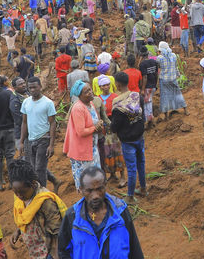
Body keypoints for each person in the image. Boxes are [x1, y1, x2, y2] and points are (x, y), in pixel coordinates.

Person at [57, 166, 144, 259]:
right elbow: (63, 251)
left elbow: (134, 247)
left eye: (99, 189)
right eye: (89, 191)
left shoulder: (120, 211)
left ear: (105, 185)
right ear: (81, 189)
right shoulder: (72, 216)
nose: (95, 196)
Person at [9, 160, 66, 259]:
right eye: (15, 192)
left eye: (22, 192)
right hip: (35, 250)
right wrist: (18, 231)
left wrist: (56, 255)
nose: (19, 196)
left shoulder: (45, 201)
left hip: (48, 251)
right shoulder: (19, 198)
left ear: (33, 184)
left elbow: (57, 229)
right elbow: (23, 216)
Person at [110, 73, 147, 203]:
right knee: (141, 163)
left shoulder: (117, 103)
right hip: (140, 136)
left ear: (118, 85)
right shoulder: (137, 96)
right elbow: (143, 115)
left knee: (131, 168)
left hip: (127, 141)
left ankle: (130, 196)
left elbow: (114, 126)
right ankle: (143, 188)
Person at [19, 77, 60, 193]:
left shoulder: (48, 103)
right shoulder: (26, 102)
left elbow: (52, 123)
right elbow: (24, 122)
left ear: (40, 87)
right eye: (30, 87)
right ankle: (46, 187)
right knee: (33, 167)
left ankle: (42, 194)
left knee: (39, 169)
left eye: (34, 87)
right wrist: (21, 142)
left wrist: (51, 145)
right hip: (30, 139)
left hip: (44, 138)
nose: (32, 90)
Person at [63, 81, 103, 190]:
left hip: (91, 148)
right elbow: (81, 132)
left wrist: (99, 124)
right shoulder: (78, 108)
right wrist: (95, 128)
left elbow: (95, 120)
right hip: (82, 151)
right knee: (87, 183)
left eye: (90, 89)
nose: (90, 92)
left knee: (95, 178)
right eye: (86, 92)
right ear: (80, 95)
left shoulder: (91, 104)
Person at [156, 42, 187, 120]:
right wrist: (178, 74)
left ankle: (166, 116)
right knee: (178, 94)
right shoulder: (173, 55)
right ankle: (185, 110)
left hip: (164, 79)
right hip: (173, 78)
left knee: (164, 97)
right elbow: (175, 67)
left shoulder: (159, 58)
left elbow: (158, 67)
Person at [138, 48, 158, 128]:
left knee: (147, 104)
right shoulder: (154, 62)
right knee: (149, 102)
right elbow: (156, 74)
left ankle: (149, 121)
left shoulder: (142, 64)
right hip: (153, 85)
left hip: (147, 87)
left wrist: (142, 89)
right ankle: (150, 120)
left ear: (141, 55)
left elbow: (145, 77)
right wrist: (155, 85)